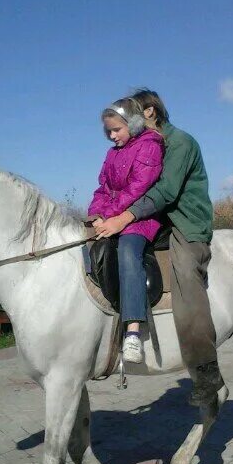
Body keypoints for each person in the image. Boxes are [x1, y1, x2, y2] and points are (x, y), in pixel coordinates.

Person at [94, 89, 223, 405]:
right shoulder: (135, 145)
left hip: (183, 221)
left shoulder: (179, 143)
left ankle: (205, 369)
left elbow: (164, 192)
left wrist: (122, 217)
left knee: (185, 277)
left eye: (134, 111)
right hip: (151, 216)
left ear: (149, 112)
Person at [88, 97, 164, 364]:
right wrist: (96, 215)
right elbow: (102, 189)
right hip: (112, 216)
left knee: (128, 252)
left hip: (140, 219)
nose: (111, 136)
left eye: (116, 130)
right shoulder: (112, 154)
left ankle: (132, 331)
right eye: (108, 131)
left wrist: (110, 215)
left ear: (132, 123)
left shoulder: (150, 146)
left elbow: (138, 188)